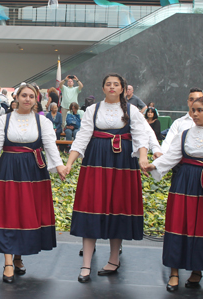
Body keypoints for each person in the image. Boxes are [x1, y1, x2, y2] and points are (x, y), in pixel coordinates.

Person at [65, 73, 158, 283]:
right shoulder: (92, 109)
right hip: (96, 161)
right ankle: (86, 264)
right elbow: (82, 137)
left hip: (123, 162)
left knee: (118, 208)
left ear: (123, 88)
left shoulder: (132, 110)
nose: (112, 87)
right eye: (108, 84)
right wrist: (70, 163)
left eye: (116, 84)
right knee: (91, 207)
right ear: (103, 88)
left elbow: (141, 136)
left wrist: (143, 157)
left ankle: (114, 259)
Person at [145, 97, 203, 292]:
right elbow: (172, 156)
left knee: (201, 226)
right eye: (193, 110)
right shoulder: (184, 134)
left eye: (200, 110)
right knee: (178, 223)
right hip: (183, 182)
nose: (195, 114)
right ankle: (174, 272)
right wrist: (155, 165)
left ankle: (197, 269)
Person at [0, 83, 66, 283]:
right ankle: (8, 262)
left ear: (36, 99)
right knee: (9, 212)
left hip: (33, 171)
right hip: (9, 168)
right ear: (17, 97)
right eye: (24, 95)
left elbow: (50, 147)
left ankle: (18, 257)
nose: (27, 99)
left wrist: (60, 166)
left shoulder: (42, 122)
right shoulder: (4, 120)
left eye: (31, 96)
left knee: (26, 213)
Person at [161, 88, 203, 153]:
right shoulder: (178, 123)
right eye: (191, 100)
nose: (194, 102)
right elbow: (167, 143)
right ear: (188, 102)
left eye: (198, 100)